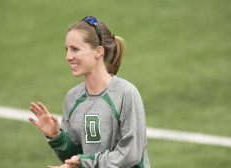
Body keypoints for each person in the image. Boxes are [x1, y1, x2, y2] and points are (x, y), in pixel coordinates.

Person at [29, 16, 150, 168]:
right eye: (67, 50)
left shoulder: (126, 93)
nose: (68, 57)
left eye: (75, 49)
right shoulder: (72, 97)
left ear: (98, 51)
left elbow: (130, 155)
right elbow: (74, 156)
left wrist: (84, 162)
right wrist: (57, 137)